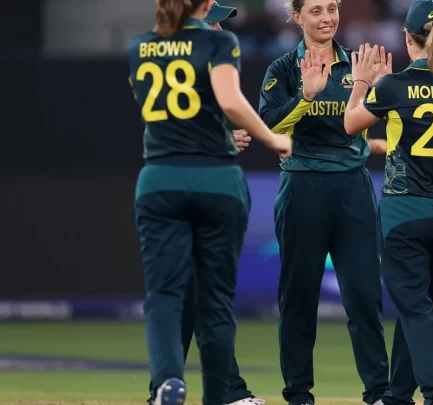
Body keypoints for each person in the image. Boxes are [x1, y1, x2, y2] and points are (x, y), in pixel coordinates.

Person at [128, 0, 291, 403]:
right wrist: (273, 139)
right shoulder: (219, 46)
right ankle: (220, 396)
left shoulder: (138, 47)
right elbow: (231, 101)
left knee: (164, 294)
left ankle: (167, 382)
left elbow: (170, 117)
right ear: (202, 7)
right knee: (215, 300)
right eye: (213, 18)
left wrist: (216, 135)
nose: (218, 28)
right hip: (216, 181)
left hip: (160, 178)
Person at [343, 2, 433, 404]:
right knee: (417, 304)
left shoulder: (393, 86)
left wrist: (361, 83)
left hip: (405, 208)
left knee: (415, 306)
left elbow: (350, 124)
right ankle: (399, 394)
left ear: (407, 38)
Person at [256, 0, 389, 404]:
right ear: (296, 17)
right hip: (302, 187)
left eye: (331, 7)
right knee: (298, 298)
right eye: (315, 10)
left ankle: (379, 392)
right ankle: (298, 394)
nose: (327, 17)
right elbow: (267, 128)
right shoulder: (281, 70)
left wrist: (378, 89)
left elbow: (386, 113)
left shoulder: (359, 66)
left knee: (365, 296)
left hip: (353, 187)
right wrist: (306, 96)